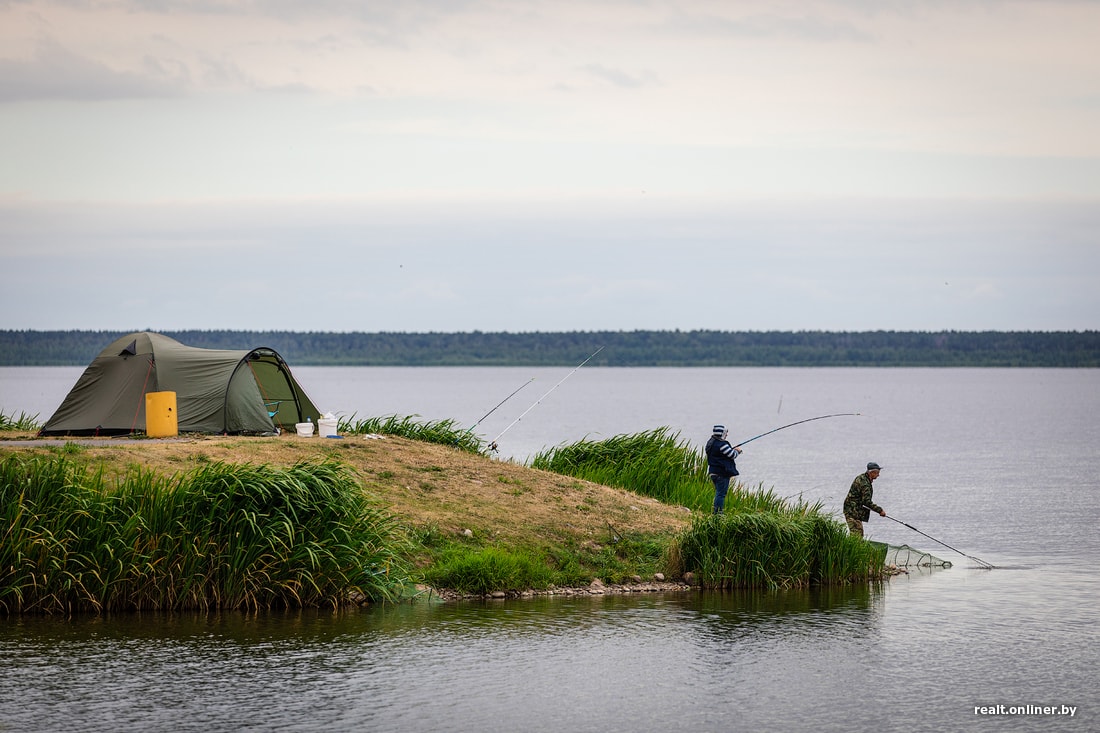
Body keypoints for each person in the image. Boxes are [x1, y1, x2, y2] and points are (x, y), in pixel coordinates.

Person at [705, 424, 743, 514]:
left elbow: (720, 453)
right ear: (722, 433)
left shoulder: (711, 442)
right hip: (721, 473)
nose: (727, 435)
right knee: (721, 494)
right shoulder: (722, 444)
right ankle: (718, 514)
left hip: (713, 472)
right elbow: (732, 455)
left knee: (719, 493)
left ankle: (716, 512)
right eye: (726, 433)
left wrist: (731, 449)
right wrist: (738, 451)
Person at [843, 462, 885, 537]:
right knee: (857, 535)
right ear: (871, 472)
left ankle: (853, 548)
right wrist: (880, 510)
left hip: (853, 510)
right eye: (877, 473)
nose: (878, 475)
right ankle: (851, 548)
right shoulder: (865, 484)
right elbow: (866, 502)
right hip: (852, 511)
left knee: (858, 534)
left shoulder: (862, 477)